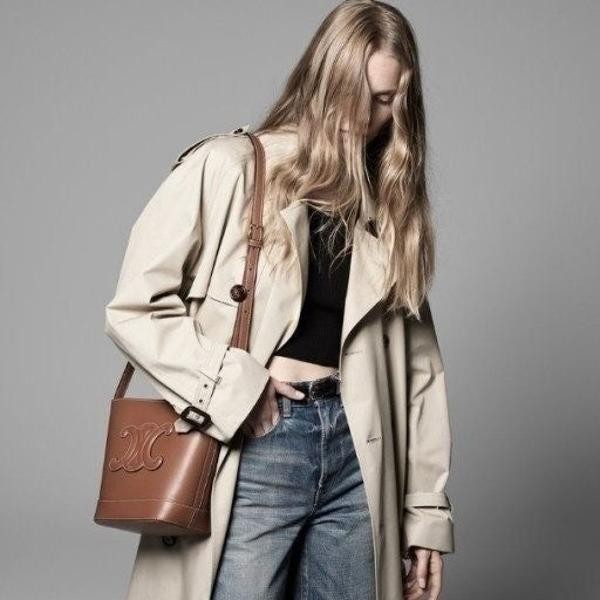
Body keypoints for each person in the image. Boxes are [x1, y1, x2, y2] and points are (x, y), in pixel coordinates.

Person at [104, 2, 455, 599]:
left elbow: (419, 374)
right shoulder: (230, 168)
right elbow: (135, 307)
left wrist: (425, 514)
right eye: (351, 92)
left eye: (383, 100)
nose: (362, 116)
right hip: (258, 440)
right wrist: (235, 388)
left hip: (359, 452)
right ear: (320, 79)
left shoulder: (390, 207)